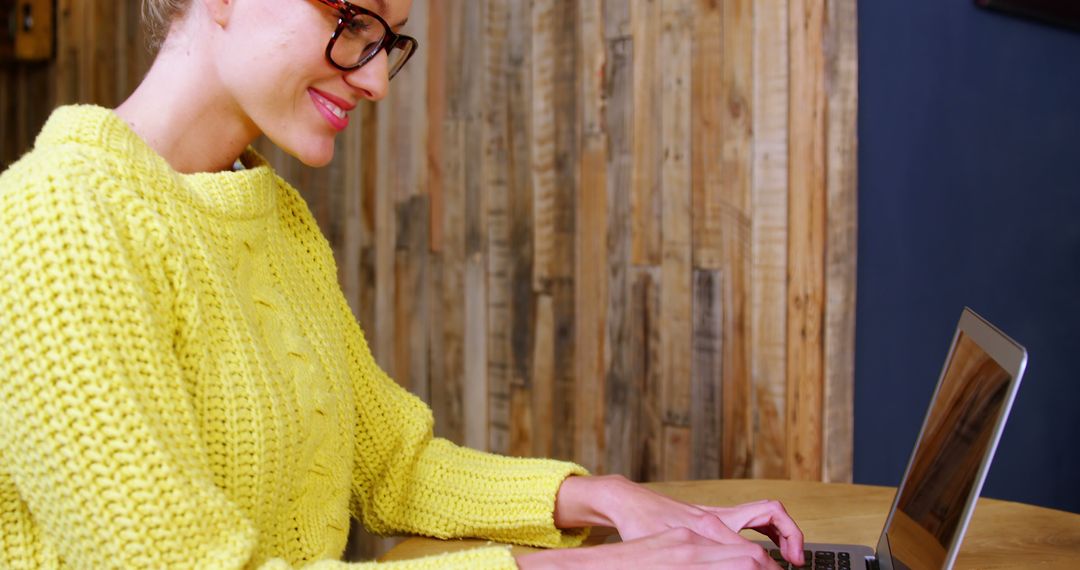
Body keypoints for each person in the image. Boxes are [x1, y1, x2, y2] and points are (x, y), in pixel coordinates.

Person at [0, 0, 806, 568]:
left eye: (389, 40)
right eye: (352, 21)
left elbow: (391, 465)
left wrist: (617, 503)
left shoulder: (274, 218)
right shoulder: (55, 218)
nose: (378, 78)